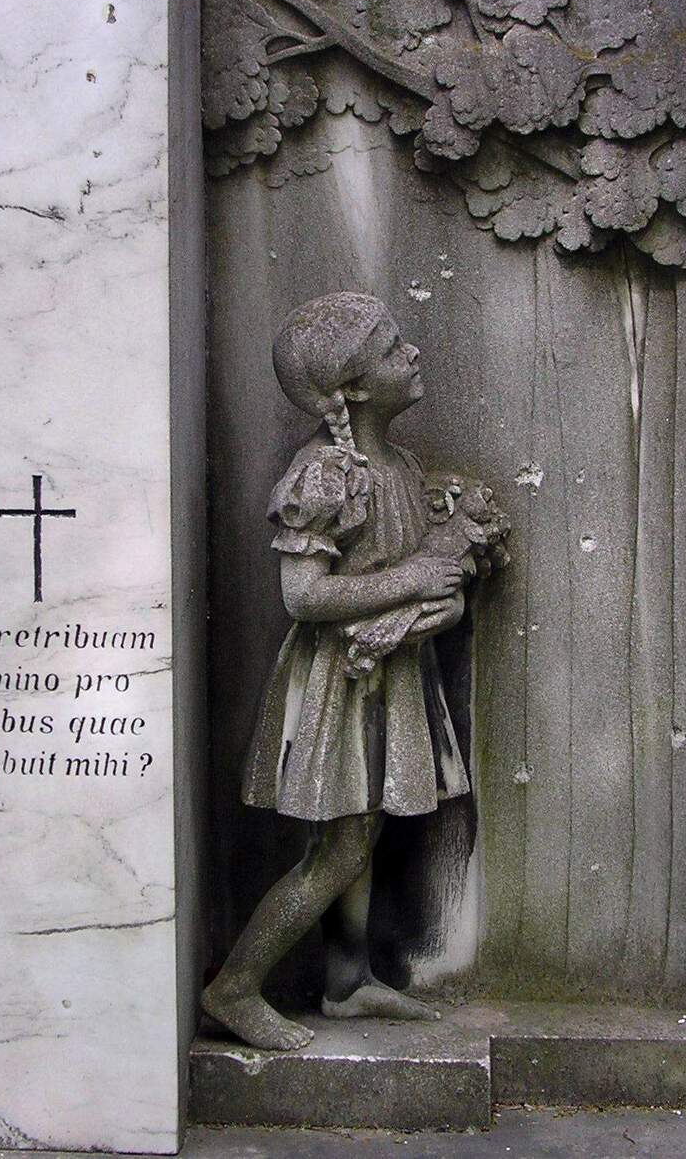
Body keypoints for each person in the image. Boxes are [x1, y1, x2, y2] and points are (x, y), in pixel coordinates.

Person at [202, 292, 472, 1051]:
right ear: (351, 388)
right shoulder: (326, 473)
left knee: (367, 828)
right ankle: (235, 987)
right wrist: (415, 579)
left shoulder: (399, 466)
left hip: (392, 675)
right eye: (390, 349)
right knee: (341, 847)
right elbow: (304, 596)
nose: (410, 354)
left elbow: (428, 582)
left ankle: (348, 981)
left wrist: (441, 604)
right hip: (340, 684)